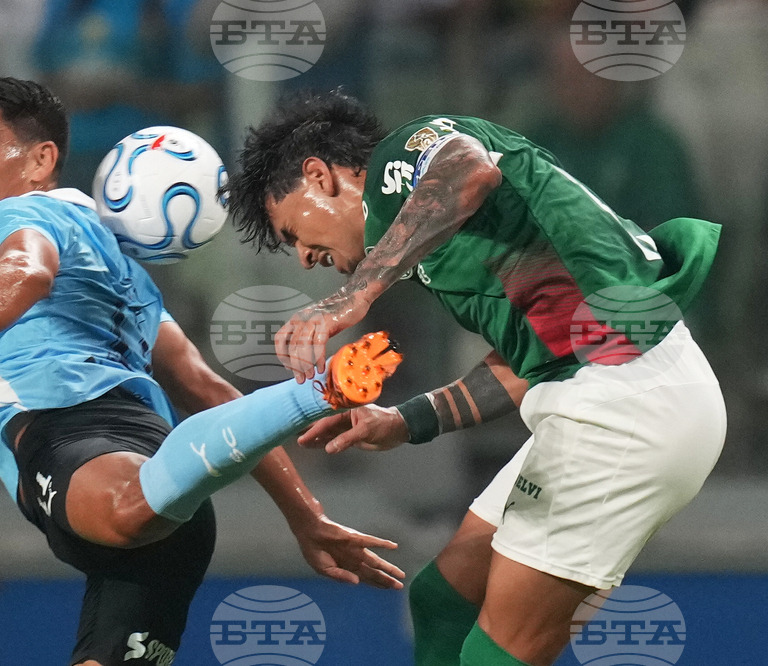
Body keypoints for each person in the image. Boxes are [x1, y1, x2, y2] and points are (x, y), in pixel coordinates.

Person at [0, 78, 406, 666]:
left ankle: (317, 390)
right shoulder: (118, 266)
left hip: (77, 443)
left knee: (126, 509)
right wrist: (308, 517)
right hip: (171, 498)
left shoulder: (18, 214)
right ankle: (303, 398)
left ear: (42, 160)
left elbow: (26, 271)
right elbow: (209, 389)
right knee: (135, 511)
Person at [225, 90, 726, 666]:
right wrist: (404, 420)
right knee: (442, 600)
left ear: (320, 176)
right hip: (614, 392)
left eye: (291, 233)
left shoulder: (402, 158)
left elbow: (469, 168)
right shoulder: (438, 246)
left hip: (627, 403)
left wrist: (354, 294)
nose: (302, 259)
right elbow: (529, 362)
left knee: (497, 655)